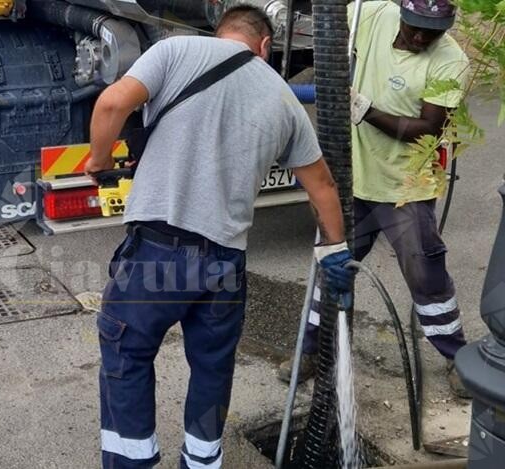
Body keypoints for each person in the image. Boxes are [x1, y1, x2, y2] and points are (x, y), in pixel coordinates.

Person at [84, 5, 355, 468]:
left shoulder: (175, 50)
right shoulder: (286, 99)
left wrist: (97, 159)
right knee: (211, 369)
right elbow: (324, 187)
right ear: (265, 46)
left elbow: (112, 103)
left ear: (222, 31)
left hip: (157, 250)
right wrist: (335, 252)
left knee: (127, 354)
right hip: (224, 264)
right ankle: (203, 460)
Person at [277, 0, 471, 398]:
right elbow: (325, 15)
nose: (419, 37)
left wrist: (365, 110)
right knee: (329, 262)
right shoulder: (371, 12)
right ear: (401, 12)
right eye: (413, 26)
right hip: (349, 178)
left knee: (425, 275)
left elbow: (427, 128)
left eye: (430, 32)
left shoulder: (452, 62)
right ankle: (312, 350)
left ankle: (457, 357)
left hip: (405, 188)